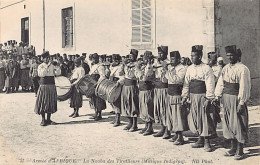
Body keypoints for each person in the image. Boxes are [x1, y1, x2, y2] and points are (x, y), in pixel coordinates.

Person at [215, 46, 251, 160]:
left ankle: (240, 149)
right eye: (228, 55)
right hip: (226, 98)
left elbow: (244, 87)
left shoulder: (243, 69)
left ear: (237, 56)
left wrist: (241, 102)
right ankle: (232, 147)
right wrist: (217, 95)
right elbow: (221, 83)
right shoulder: (225, 68)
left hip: (236, 99)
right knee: (228, 123)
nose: (230, 57)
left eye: (232, 55)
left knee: (238, 123)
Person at [181, 45, 216, 152]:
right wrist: (185, 96)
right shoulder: (189, 69)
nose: (192, 58)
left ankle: (207, 142)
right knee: (195, 118)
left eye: (194, 56)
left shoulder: (206, 68)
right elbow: (186, 84)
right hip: (192, 96)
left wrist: (208, 98)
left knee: (204, 118)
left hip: (203, 96)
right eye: (191, 56)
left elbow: (210, 84)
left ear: (200, 56)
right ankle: (200, 139)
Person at [165, 51, 188, 145]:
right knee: (171, 116)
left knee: (178, 116)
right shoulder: (171, 68)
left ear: (178, 59)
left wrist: (166, 72)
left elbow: (177, 80)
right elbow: (166, 80)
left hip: (177, 94)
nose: (171, 61)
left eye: (173, 59)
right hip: (170, 94)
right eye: (171, 59)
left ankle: (180, 136)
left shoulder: (182, 68)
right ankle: (175, 134)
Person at [34, 51, 61, 126]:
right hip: (44, 86)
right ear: (42, 59)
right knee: (43, 102)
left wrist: (57, 66)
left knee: (50, 101)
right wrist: (47, 66)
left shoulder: (52, 65)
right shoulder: (40, 66)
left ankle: (49, 119)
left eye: (48, 58)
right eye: (45, 58)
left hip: (51, 85)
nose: (47, 59)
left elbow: (58, 74)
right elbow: (41, 74)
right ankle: (43, 119)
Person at [152, 46, 171, 139]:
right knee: (159, 109)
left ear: (165, 54)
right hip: (157, 89)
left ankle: (167, 130)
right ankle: (162, 128)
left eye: (161, 53)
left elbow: (168, 78)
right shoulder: (156, 63)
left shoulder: (168, 63)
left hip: (165, 89)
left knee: (165, 109)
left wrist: (165, 68)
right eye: (158, 53)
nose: (159, 55)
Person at [119, 49, 139, 132]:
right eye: (129, 56)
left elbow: (132, 75)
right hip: (126, 86)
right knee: (126, 104)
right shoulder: (127, 64)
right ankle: (130, 122)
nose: (130, 58)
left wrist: (126, 66)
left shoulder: (136, 65)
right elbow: (120, 73)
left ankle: (135, 125)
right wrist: (123, 65)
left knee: (133, 105)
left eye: (132, 56)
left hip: (132, 87)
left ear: (135, 57)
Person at [135, 51, 154, 136]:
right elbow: (138, 76)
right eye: (143, 58)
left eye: (145, 58)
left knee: (147, 108)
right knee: (143, 108)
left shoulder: (149, 67)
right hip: (142, 89)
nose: (144, 60)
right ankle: (146, 126)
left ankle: (150, 127)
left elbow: (144, 78)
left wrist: (138, 69)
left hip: (147, 90)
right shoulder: (144, 67)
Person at [89, 53, 107, 121]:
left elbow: (102, 76)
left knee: (98, 99)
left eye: (94, 59)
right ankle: (96, 113)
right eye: (92, 59)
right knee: (93, 99)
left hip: (97, 84)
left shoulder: (100, 66)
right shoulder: (93, 66)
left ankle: (99, 114)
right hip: (92, 84)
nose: (93, 60)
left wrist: (97, 83)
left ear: (97, 59)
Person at [109, 54, 124, 126]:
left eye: (116, 60)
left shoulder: (121, 67)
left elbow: (122, 77)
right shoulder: (113, 66)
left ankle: (118, 119)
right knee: (112, 101)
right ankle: (115, 118)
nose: (115, 61)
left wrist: (118, 82)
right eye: (114, 60)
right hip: (112, 84)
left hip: (117, 85)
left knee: (116, 101)